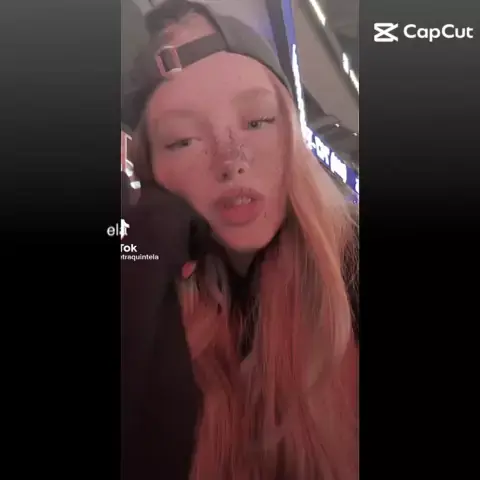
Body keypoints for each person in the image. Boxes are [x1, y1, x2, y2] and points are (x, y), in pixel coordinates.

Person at [121, 1, 358, 479]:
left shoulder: (352, 266)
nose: (232, 161)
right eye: (183, 140)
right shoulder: (147, 293)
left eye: (257, 121)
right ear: (151, 169)